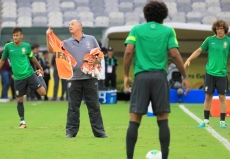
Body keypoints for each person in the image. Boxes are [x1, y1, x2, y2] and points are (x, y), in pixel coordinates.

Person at [123, 1, 190, 159]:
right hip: (160, 77)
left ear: (146, 15)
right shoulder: (168, 31)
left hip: (141, 77)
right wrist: (185, 76)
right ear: (164, 15)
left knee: (134, 119)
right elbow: (174, 54)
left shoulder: (136, 30)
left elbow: (128, 52)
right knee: (163, 119)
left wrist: (126, 75)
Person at [46, 20, 108, 138]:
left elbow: (99, 56)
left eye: (72, 24)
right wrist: (47, 35)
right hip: (74, 79)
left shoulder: (91, 39)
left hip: (90, 78)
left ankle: (99, 132)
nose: (70, 26)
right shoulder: (66, 43)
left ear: (80, 26)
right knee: (73, 107)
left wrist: (96, 61)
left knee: (94, 106)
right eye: (69, 25)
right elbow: (51, 50)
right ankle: (70, 132)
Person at [184, 20, 230, 128]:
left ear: (225, 29)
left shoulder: (228, 41)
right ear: (215, 29)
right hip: (210, 73)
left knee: (222, 97)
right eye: (217, 29)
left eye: (221, 28)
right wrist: (189, 59)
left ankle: (222, 122)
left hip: (222, 74)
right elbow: (199, 50)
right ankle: (205, 121)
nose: (219, 31)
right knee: (208, 97)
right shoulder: (209, 40)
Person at [0, 27, 47, 128]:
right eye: (14, 35)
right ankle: (22, 122)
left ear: (21, 36)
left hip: (30, 74)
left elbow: (32, 57)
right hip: (18, 78)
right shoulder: (8, 47)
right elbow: (3, 60)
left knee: (43, 93)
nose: (15, 37)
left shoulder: (26, 46)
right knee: (20, 99)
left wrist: (40, 68)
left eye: (17, 35)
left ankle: (38, 75)